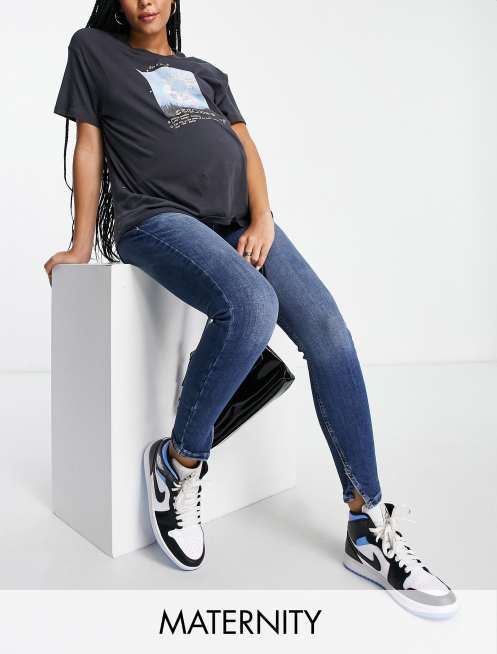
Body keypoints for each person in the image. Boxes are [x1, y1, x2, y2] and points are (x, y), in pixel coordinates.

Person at [44, 0, 457, 618]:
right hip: (155, 217)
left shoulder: (207, 73)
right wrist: (80, 246)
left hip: (240, 220)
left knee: (330, 335)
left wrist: (262, 218)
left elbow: (246, 149)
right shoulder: (93, 50)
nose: (146, 0)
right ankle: (179, 463)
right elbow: (88, 145)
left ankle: (367, 525)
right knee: (251, 304)